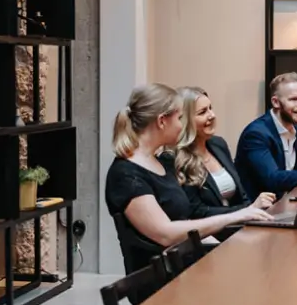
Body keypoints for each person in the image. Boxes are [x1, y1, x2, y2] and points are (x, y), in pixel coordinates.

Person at [104, 83, 273, 272]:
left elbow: (185, 221)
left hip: (186, 265)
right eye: (180, 118)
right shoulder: (126, 174)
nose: (182, 125)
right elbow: (166, 234)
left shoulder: (157, 163)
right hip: (162, 280)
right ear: (162, 121)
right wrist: (236, 216)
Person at [171, 86, 276, 219]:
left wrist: (254, 210)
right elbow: (197, 211)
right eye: (203, 112)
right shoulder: (178, 158)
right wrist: (247, 210)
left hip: (239, 225)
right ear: (185, 120)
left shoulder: (218, 144)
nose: (212, 115)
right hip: (209, 234)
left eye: (210, 108)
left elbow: (242, 195)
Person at [235, 72, 297, 199]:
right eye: (294, 99)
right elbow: (273, 179)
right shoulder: (256, 134)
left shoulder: (295, 128)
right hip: (260, 211)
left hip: (287, 205)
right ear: (276, 102)